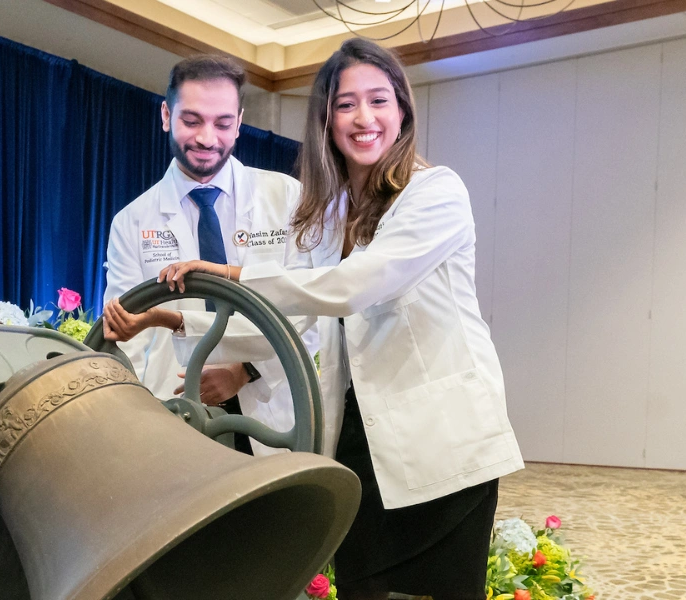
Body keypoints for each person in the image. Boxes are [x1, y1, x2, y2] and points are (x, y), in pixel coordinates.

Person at [157, 38, 524, 600]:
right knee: (362, 586)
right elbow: (295, 317)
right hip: (361, 436)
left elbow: (354, 286)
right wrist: (176, 322)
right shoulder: (330, 213)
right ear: (326, 120)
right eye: (346, 104)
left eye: (378, 100)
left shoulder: (436, 192)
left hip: (442, 439)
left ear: (402, 110)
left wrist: (233, 274)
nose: (363, 118)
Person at [99, 54, 308, 456]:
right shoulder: (131, 221)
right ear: (166, 115)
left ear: (239, 123)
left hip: (269, 412)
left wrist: (243, 372)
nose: (207, 138)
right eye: (192, 121)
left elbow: (307, 311)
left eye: (223, 124)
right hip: (171, 415)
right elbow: (125, 337)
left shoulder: (286, 198)